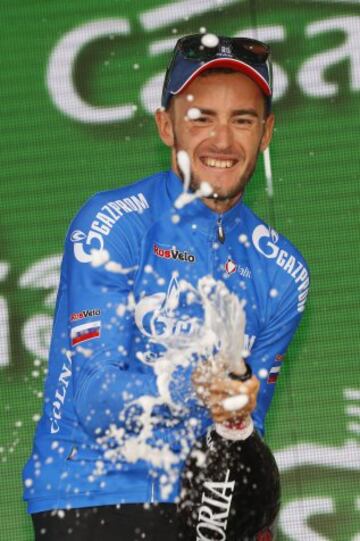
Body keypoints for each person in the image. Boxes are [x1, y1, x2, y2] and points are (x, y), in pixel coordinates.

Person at [23, 34, 309, 540]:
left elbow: (248, 426)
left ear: (266, 133)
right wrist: (195, 386)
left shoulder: (283, 272)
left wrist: (248, 492)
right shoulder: (116, 224)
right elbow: (93, 397)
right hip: (94, 494)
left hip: (203, 509)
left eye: (241, 120)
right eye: (201, 118)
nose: (222, 141)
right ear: (165, 126)